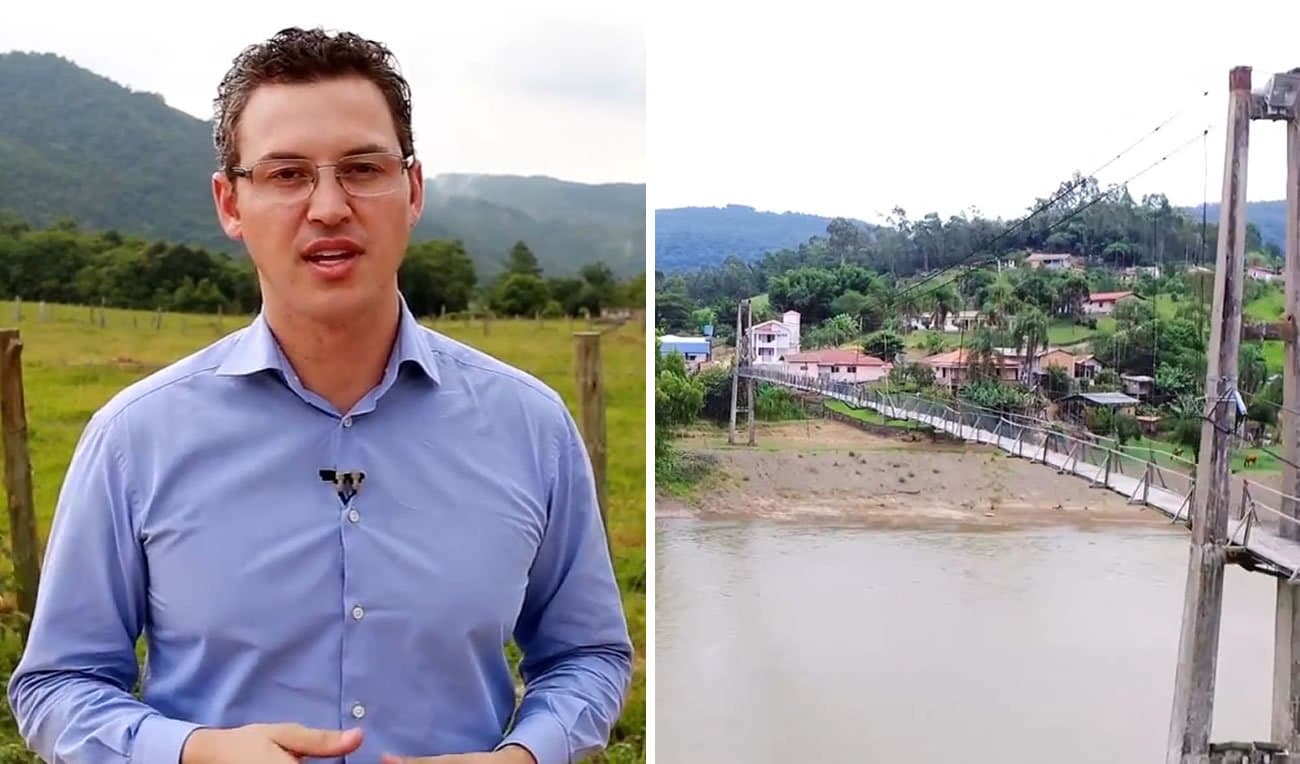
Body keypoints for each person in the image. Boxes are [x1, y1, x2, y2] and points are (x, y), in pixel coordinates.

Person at [6, 26, 633, 764]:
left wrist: (522, 757)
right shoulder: (135, 437)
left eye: (363, 168)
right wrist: (189, 752)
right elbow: (58, 683)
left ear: (415, 189)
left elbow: (589, 655)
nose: (329, 206)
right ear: (230, 203)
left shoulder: (530, 427)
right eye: (287, 174)